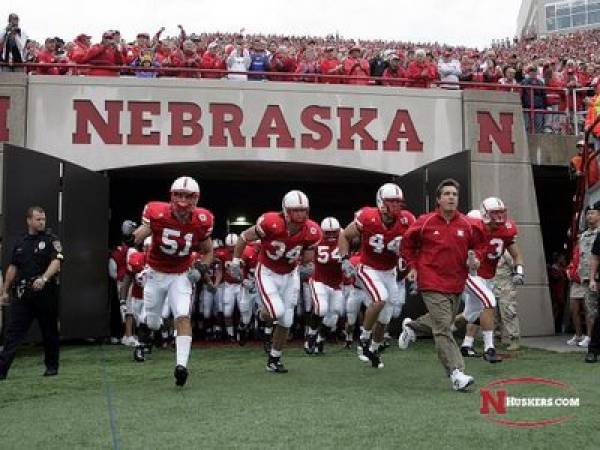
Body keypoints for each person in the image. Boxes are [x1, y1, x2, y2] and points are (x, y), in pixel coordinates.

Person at [131, 176, 214, 387]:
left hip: (181, 275)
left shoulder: (203, 219)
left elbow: (208, 252)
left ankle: (181, 366)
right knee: (153, 321)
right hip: (156, 273)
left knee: (182, 316)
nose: (183, 202)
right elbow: (139, 235)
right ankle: (148, 331)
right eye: (179, 195)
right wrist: (133, 237)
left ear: (196, 199)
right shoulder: (156, 213)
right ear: (172, 196)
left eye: (188, 197)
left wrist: (200, 267)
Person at [399, 179, 480, 392]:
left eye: (454, 194)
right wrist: (413, 267)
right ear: (438, 199)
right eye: (447, 194)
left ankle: (412, 327)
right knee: (444, 327)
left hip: (456, 282)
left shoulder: (467, 225)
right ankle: (456, 373)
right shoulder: (425, 222)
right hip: (431, 280)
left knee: (446, 321)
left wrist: (475, 259)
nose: (451, 197)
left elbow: (477, 248)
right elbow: (406, 244)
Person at [230, 190, 321, 373]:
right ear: (286, 211)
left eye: (303, 210)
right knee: (276, 311)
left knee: (286, 320)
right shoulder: (271, 222)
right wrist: (235, 260)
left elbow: (308, 257)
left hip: (290, 274)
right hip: (267, 272)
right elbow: (243, 237)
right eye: (296, 210)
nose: (301, 215)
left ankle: (274, 358)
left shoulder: (312, 230)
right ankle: (261, 315)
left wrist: (307, 266)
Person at [338, 183, 415, 369]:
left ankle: (373, 348)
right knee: (379, 299)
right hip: (368, 267)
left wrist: (414, 267)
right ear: (381, 202)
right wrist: (345, 259)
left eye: (398, 202)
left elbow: (416, 245)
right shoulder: (367, 217)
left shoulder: (407, 220)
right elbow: (344, 236)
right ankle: (364, 338)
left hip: (390, 272)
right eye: (391, 202)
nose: (396, 206)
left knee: (386, 317)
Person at [0, 206, 64, 380]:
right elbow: (13, 267)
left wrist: (43, 279)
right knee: (13, 333)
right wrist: (5, 291)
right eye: (38, 219)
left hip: (45, 293)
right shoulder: (21, 242)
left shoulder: (52, 239)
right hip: (23, 295)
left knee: (49, 331)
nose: (42, 222)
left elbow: (57, 262)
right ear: (29, 220)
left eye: (43, 219)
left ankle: (52, 367)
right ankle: (2, 369)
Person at [458, 199, 524, 363]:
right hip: (472, 274)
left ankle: (420, 327)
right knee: (489, 301)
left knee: (471, 314)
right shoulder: (473, 228)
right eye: (495, 213)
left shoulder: (506, 230)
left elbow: (516, 254)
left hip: (488, 276)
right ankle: (489, 348)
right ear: (484, 214)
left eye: (501, 212)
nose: (499, 216)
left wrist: (519, 271)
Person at [305, 217, 344, 355]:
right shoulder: (316, 239)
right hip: (319, 280)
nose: (332, 235)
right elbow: (306, 256)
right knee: (321, 309)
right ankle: (310, 336)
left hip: (337, 284)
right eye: (328, 233)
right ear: (322, 232)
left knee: (333, 316)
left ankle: (320, 340)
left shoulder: (344, 238)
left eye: (334, 232)